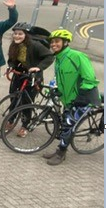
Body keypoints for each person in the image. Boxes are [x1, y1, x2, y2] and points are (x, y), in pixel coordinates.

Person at [42, 29, 100, 165]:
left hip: (82, 98)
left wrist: (80, 96)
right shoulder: (58, 59)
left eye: (57, 41)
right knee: (64, 124)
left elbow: (90, 79)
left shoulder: (77, 56)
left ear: (66, 42)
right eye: (52, 42)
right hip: (68, 99)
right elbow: (60, 79)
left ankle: (61, 153)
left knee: (68, 126)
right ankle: (59, 150)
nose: (53, 44)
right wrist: (54, 90)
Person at [4, 22, 55, 136]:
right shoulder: (14, 45)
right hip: (20, 74)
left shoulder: (35, 45)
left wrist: (38, 67)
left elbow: (50, 56)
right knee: (14, 98)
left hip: (33, 77)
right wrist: (11, 66)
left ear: (26, 35)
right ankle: (11, 121)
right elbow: (12, 59)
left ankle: (25, 126)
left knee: (26, 102)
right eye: (15, 33)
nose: (17, 36)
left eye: (20, 34)